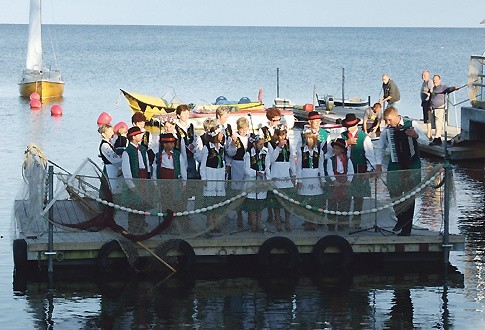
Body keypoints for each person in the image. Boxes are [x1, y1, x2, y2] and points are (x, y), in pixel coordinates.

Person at [375, 107, 429, 236]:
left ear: (395, 116)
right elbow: (380, 147)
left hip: (412, 163)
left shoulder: (412, 124)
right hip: (395, 163)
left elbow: (426, 141)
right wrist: (378, 164)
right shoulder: (387, 131)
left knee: (411, 195)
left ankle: (406, 228)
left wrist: (415, 136)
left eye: (389, 120)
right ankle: (401, 218)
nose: (388, 123)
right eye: (386, 120)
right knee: (394, 192)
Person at [340, 113, 376, 226]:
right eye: (347, 126)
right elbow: (334, 150)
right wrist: (346, 143)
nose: (349, 128)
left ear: (356, 125)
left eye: (351, 126)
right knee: (345, 196)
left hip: (359, 170)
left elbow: (370, 157)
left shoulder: (364, 138)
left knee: (358, 197)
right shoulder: (342, 136)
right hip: (344, 170)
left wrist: (369, 171)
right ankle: (344, 221)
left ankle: (356, 221)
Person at [121, 126, 151, 233]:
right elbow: (126, 172)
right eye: (139, 135)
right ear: (133, 137)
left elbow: (147, 165)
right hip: (135, 182)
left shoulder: (143, 149)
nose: (142, 136)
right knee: (134, 206)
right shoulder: (127, 152)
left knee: (142, 205)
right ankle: (133, 229)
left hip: (143, 181)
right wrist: (132, 186)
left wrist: (149, 180)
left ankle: (141, 227)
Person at [267, 124, 296, 231]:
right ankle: (278, 221)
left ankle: (287, 222)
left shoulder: (288, 144)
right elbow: (271, 160)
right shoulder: (270, 144)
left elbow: (291, 159)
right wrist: (278, 147)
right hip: (276, 173)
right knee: (276, 201)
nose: (283, 138)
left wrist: (293, 174)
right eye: (280, 135)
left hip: (286, 174)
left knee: (288, 200)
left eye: (284, 135)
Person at [295, 128, 324, 231]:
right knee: (306, 200)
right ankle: (306, 221)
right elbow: (298, 166)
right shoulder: (301, 150)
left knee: (315, 200)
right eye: (307, 139)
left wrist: (323, 180)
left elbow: (321, 167)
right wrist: (299, 180)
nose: (309, 141)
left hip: (315, 176)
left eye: (311, 139)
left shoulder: (319, 151)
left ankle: (313, 221)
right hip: (305, 174)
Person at [199, 124, 226, 232]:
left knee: (217, 200)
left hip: (219, 174)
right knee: (210, 201)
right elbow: (203, 164)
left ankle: (216, 222)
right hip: (210, 174)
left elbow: (222, 161)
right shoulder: (207, 148)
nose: (222, 135)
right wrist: (204, 178)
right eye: (220, 134)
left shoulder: (221, 147)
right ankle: (210, 223)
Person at [226, 117, 250, 227]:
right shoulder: (234, 137)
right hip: (237, 165)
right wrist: (233, 144)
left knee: (248, 189)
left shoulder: (251, 138)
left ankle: (250, 214)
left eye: (245, 128)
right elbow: (230, 153)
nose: (243, 131)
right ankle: (239, 215)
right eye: (241, 129)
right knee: (237, 191)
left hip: (249, 165)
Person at [244, 133, 271, 232]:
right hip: (252, 181)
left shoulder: (265, 153)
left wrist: (268, 178)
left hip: (262, 180)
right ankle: (253, 224)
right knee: (252, 204)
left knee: (260, 204)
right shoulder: (248, 154)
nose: (262, 146)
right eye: (260, 144)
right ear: (254, 144)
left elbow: (267, 167)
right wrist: (255, 173)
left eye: (262, 144)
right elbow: (246, 169)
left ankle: (259, 223)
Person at [326, 138, 354, 229]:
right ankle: (331, 224)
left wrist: (349, 180)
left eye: (337, 148)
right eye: (334, 148)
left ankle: (343, 224)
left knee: (344, 204)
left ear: (342, 149)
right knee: (332, 204)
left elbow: (351, 171)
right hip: (335, 184)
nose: (335, 150)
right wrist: (334, 180)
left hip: (344, 183)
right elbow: (330, 171)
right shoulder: (331, 160)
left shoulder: (347, 159)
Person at [429, 74, 460, 146]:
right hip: (433, 108)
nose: (435, 81)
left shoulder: (442, 87)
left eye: (436, 79)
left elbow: (448, 89)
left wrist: (455, 88)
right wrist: (430, 105)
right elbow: (432, 97)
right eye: (434, 80)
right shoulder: (433, 88)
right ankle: (437, 138)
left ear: (439, 80)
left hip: (440, 108)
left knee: (438, 123)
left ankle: (437, 138)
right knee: (434, 124)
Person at [174, 104, 201, 179]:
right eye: (184, 114)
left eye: (187, 113)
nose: (186, 116)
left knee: (192, 176)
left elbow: (195, 138)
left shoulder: (191, 126)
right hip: (180, 155)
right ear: (178, 115)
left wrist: (193, 144)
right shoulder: (175, 127)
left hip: (191, 156)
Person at [98, 124, 122, 194]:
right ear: (104, 134)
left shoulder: (110, 143)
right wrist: (124, 160)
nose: (112, 133)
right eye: (110, 131)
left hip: (114, 167)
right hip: (110, 168)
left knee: (117, 185)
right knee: (114, 186)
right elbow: (114, 159)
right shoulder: (105, 145)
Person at [215, 106, 233, 179]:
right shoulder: (213, 127)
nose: (226, 120)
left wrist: (228, 163)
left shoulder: (228, 127)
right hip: (214, 159)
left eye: (227, 117)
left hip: (225, 158)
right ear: (219, 116)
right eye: (225, 117)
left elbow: (228, 144)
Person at [420, 70, 434, 140]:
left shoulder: (430, 82)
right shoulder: (424, 83)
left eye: (424, 75)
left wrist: (431, 103)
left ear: (428, 76)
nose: (423, 77)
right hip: (424, 102)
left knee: (429, 119)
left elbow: (432, 93)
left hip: (428, 102)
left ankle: (429, 134)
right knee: (426, 119)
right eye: (422, 75)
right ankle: (430, 134)